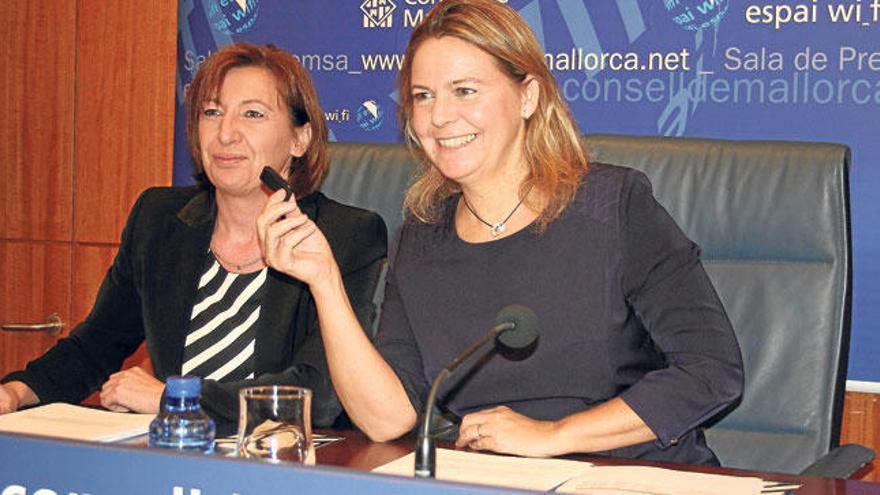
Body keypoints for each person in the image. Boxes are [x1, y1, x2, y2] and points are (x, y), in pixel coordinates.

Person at [257, 0, 742, 465]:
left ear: (527, 96)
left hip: (632, 475)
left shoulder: (614, 205)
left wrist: (554, 436)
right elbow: (388, 418)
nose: (439, 117)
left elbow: (710, 371)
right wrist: (323, 281)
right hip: (501, 480)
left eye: (465, 90)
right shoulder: (422, 237)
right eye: (423, 96)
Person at [0, 43, 387, 432]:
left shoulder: (344, 236)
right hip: (174, 458)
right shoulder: (159, 220)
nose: (225, 133)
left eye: (252, 114)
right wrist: (18, 392)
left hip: (281, 463)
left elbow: (316, 393)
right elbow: (95, 346)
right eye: (211, 112)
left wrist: (176, 399)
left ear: (299, 139)